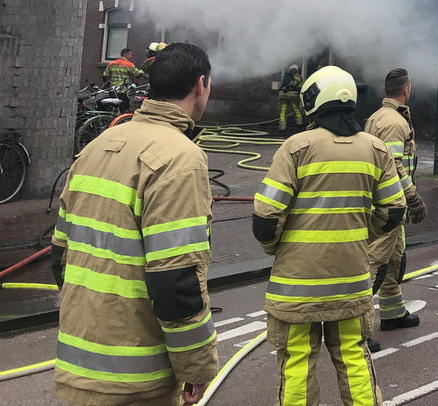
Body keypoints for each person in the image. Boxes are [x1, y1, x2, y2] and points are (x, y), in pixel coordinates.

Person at [51, 42, 219, 406]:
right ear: (200, 85)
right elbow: (176, 280)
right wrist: (196, 367)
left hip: (77, 364)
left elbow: (59, 254)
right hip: (137, 377)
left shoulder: (98, 145)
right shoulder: (181, 159)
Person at [253, 65, 405, 406]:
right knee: (353, 358)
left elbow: (265, 217)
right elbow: (394, 212)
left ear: (313, 101)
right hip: (351, 282)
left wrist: (274, 248)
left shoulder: (295, 148)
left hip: (295, 288)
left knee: (296, 365)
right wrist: (363, 237)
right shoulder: (375, 149)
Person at [364, 68, 427, 350]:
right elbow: (395, 165)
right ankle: (358, 329)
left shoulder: (379, 117)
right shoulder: (393, 122)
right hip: (388, 206)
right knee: (375, 265)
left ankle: (392, 313)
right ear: (406, 90)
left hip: (389, 205)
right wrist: (413, 197)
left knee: (394, 261)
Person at [277, 62, 305, 133]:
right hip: (293, 96)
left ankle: (282, 127)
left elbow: (280, 85)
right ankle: (299, 124)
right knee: (296, 109)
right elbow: (301, 87)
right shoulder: (299, 77)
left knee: (283, 111)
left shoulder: (284, 76)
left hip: (283, 96)